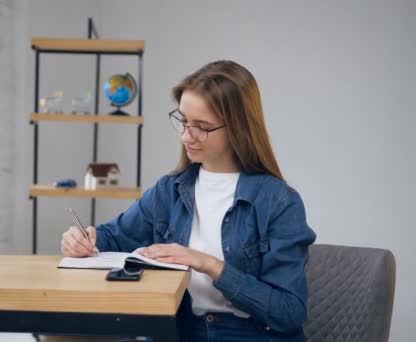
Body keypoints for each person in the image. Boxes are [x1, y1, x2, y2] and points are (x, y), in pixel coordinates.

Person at [60, 60, 316, 342]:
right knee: (63, 336)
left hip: (250, 335)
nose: (185, 135)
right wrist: (84, 240)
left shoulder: (279, 202)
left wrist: (209, 264)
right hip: (179, 331)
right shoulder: (169, 191)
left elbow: (289, 311)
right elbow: (112, 236)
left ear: (239, 128)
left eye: (201, 127)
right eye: (183, 120)